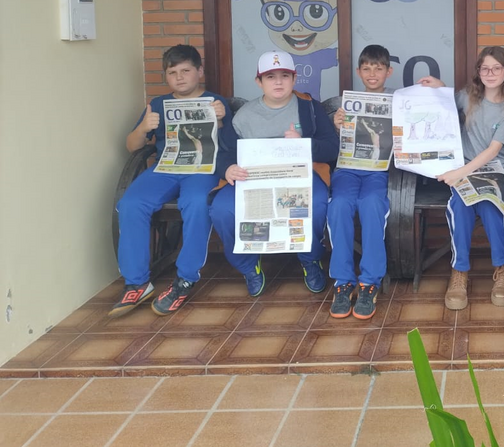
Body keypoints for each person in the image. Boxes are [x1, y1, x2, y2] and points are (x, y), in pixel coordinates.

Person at [111, 44, 237, 317]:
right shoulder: (157, 105)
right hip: (165, 168)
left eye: (186, 71)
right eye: (172, 72)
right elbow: (132, 146)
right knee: (131, 203)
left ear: (199, 71)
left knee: (196, 203)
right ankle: (137, 282)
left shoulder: (215, 101)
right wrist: (144, 128)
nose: (179, 77)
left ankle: (185, 277)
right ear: (166, 76)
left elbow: (229, 145)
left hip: (203, 169)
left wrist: (221, 119)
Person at [209, 50, 339, 297]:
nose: (278, 82)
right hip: (253, 179)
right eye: (270, 77)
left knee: (318, 203)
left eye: (284, 75)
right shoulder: (245, 115)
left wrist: (304, 143)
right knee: (221, 209)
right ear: (259, 82)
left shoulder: (309, 108)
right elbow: (225, 150)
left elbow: (332, 148)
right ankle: (249, 266)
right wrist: (227, 168)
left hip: (299, 175)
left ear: (294, 78)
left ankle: (310, 259)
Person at [417, 46, 504, 311]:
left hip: (495, 170)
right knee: (460, 207)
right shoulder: (469, 97)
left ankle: (502, 267)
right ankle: (459, 271)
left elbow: (493, 151)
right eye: (485, 68)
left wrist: (458, 174)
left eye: (497, 68)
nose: (490, 73)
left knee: (490, 207)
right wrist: (439, 87)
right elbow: (442, 105)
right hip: (465, 168)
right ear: (478, 72)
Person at [327, 45, 394, 320]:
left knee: (372, 204)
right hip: (347, 170)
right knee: (340, 205)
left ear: (389, 72)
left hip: (378, 171)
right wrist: (336, 124)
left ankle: (369, 282)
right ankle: (343, 282)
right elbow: (330, 146)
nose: (372, 73)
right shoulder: (345, 105)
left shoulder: (397, 103)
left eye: (378, 68)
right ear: (358, 72)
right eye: (366, 68)